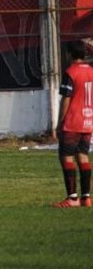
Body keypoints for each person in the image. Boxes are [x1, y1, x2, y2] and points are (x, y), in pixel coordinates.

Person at [52, 40, 93, 208]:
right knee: (82, 156)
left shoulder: (71, 72)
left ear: (70, 54)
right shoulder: (91, 71)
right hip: (88, 121)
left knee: (66, 157)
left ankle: (72, 198)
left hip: (73, 121)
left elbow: (66, 99)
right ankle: (86, 198)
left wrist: (59, 122)